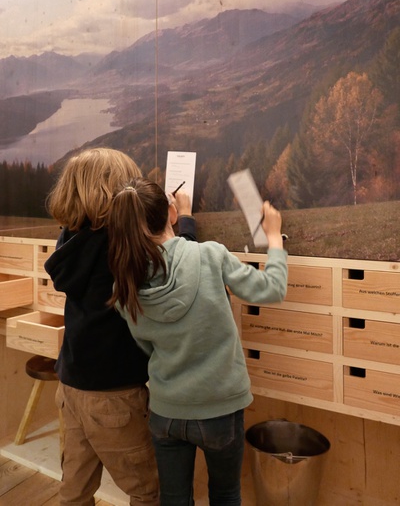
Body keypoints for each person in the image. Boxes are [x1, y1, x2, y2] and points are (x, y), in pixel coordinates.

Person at [106, 177, 288, 506]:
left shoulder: (125, 287)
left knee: (174, 500)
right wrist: (274, 236)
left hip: (166, 411)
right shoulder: (210, 255)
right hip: (220, 407)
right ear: (172, 213)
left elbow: (146, 347)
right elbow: (272, 288)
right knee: (226, 495)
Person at [44, 147, 196, 506]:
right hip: (116, 397)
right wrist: (184, 220)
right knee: (149, 491)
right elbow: (180, 268)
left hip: (71, 387)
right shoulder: (121, 246)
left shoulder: (68, 240)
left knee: (74, 490)